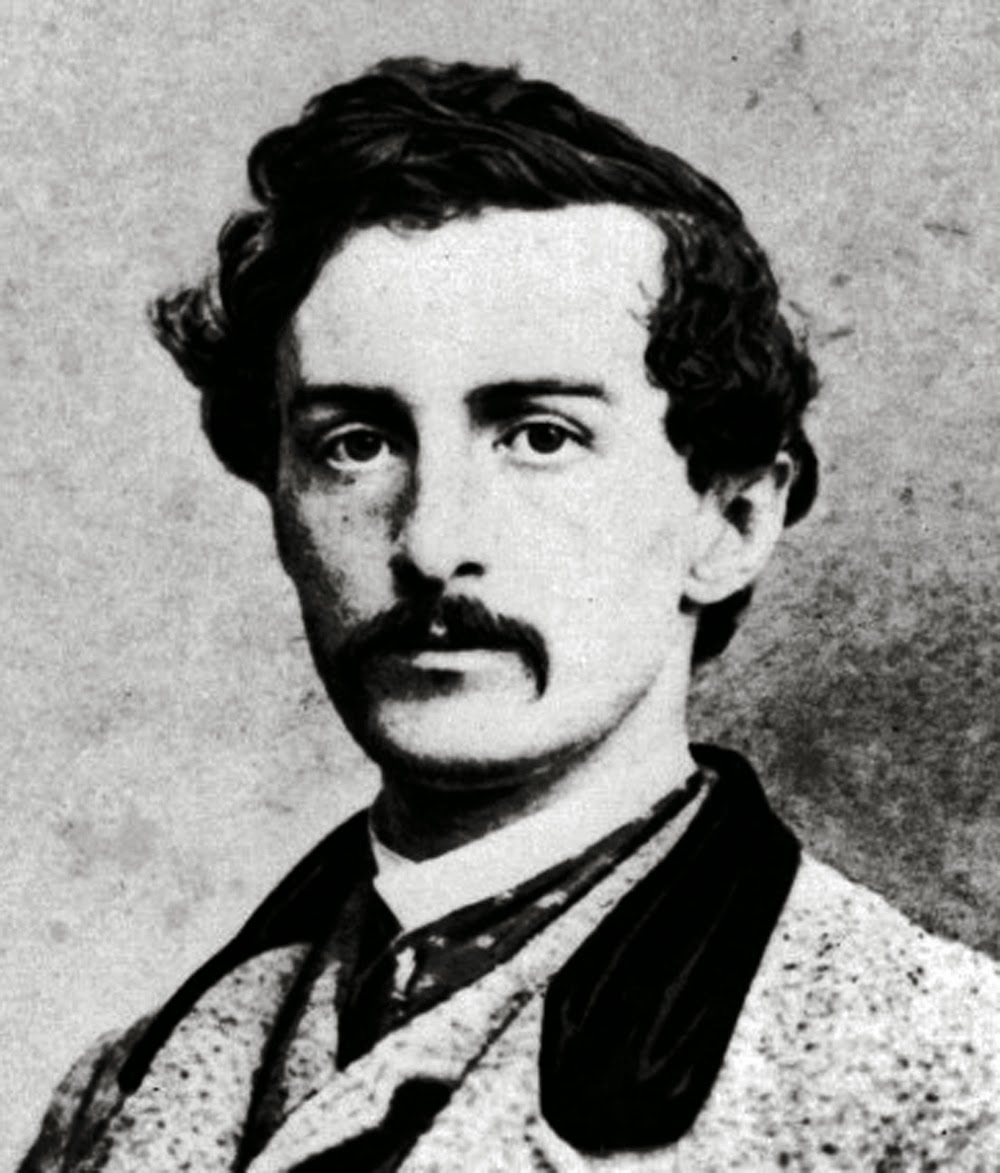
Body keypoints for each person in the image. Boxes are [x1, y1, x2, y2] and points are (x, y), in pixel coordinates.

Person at [20, 57, 1000, 1172]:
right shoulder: (117, 1093)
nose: (431, 543)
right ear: (279, 503)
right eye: (356, 445)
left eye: (539, 436)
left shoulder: (945, 1082)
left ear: (730, 520)